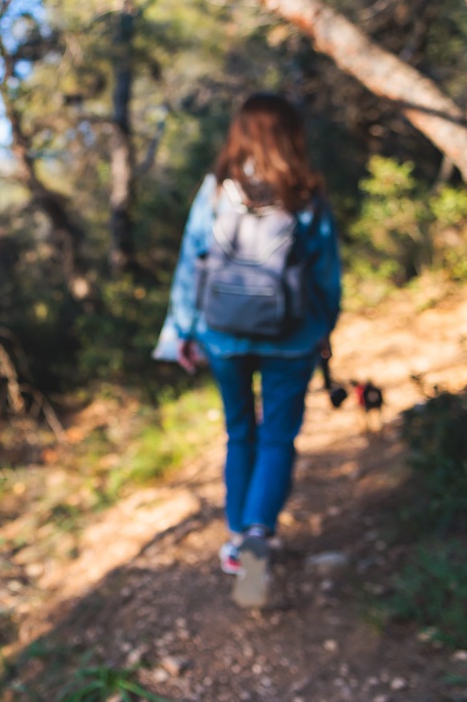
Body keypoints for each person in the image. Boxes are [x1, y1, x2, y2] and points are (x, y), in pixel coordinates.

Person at [153, 92, 342, 609]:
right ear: (290, 135)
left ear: (239, 133)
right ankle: (260, 531)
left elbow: (192, 263)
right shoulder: (306, 194)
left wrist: (182, 331)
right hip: (293, 337)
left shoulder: (217, 191)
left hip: (224, 334)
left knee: (240, 432)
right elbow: (326, 273)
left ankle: (239, 541)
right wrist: (325, 327)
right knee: (277, 437)